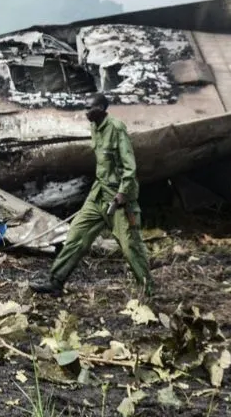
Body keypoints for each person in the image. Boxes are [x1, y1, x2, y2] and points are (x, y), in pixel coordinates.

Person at [31, 94, 152, 298]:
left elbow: (129, 165)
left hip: (119, 199)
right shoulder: (95, 127)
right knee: (76, 235)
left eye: (91, 108)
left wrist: (123, 192)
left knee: (130, 246)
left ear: (103, 108)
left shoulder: (116, 128)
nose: (87, 112)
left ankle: (148, 290)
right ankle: (56, 281)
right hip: (98, 194)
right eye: (86, 108)